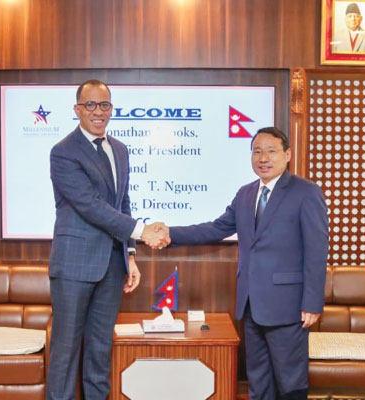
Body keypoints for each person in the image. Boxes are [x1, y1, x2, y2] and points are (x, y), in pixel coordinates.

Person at [160, 127, 328, 400]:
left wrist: (312, 302)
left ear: (287, 155)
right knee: (258, 382)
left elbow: (316, 250)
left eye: (271, 151)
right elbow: (216, 228)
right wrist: (169, 233)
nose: (263, 158)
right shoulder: (246, 194)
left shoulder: (306, 192)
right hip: (251, 305)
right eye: (257, 151)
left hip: (288, 307)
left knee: (290, 384)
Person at [45, 79, 169, 400]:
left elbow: (121, 202)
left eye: (104, 105)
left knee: (99, 353)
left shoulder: (120, 149)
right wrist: (143, 231)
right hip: (74, 267)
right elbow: (90, 206)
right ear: (77, 109)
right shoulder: (63, 152)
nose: (98, 111)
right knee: (65, 354)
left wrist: (130, 255)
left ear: (111, 109)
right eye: (90, 105)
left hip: (112, 266)